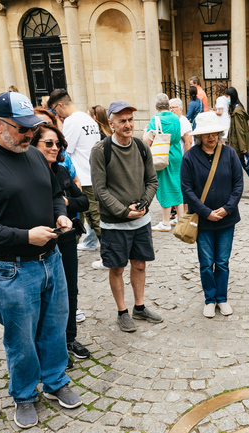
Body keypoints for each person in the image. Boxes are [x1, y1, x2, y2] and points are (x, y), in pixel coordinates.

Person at [0, 91, 82, 429]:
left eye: (32, 128)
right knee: (21, 336)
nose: (30, 135)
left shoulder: (35, 156)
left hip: (50, 258)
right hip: (9, 268)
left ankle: (55, 382)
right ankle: (25, 394)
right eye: (22, 128)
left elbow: (56, 193)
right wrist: (25, 236)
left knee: (55, 326)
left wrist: (60, 215)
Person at [90, 100, 162, 333]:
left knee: (139, 265)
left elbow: (152, 181)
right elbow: (100, 191)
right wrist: (123, 211)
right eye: (122, 121)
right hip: (114, 224)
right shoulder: (101, 151)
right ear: (111, 124)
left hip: (141, 221)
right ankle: (122, 311)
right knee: (117, 268)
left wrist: (144, 204)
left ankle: (139, 307)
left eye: (130, 120)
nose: (128, 124)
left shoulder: (142, 147)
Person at [30, 124, 91, 368]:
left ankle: (69, 339)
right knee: (46, 296)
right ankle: (49, 347)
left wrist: (64, 202)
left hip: (66, 240)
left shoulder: (61, 172)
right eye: (49, 143)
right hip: (40, 244)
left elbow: (83, 201)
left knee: (70, 290)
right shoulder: (28, 175)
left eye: (58, 144)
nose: (55, 148)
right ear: (34, 145)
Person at [180, 112, 244, 318]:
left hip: (227, 218)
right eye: (207, 134)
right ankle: (210, 299)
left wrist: (227, 208)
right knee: (207, 262)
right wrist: (205, 212)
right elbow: (187, 189)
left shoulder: (230, 153)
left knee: (222, 261)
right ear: (200, 136)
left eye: (214, 133)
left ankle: (222, 298)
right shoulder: (190, 156)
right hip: (203, 220)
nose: (211, 137)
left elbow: (238, 184)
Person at [48, 89, 102, 254]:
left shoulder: (72, 121)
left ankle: (110, 255)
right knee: (88, 216)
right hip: (92, 173)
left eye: (55, 110)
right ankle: (87, 243)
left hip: (82, 177)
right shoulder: (88, 119)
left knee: (94, 218)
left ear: (60, 105)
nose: (57, 114)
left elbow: (63, 150)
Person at [145, 93, 185, 232]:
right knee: (177, 184)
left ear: (156, 106)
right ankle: (181, 218)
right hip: (176, 153)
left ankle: (166, 222)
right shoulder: (175, 117)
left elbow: (148, 141)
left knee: (164, 186)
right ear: (168, 105)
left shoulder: (154, 119)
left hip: (162, 154)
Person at [226, 86, 249, 166]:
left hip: (238, 147)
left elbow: (239, 130)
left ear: (232, 97)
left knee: (248, 168)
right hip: (237, 145)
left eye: (228, 96)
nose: (227, 99)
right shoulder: (237, 109)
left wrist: (243, 148)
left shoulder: (237, 112)